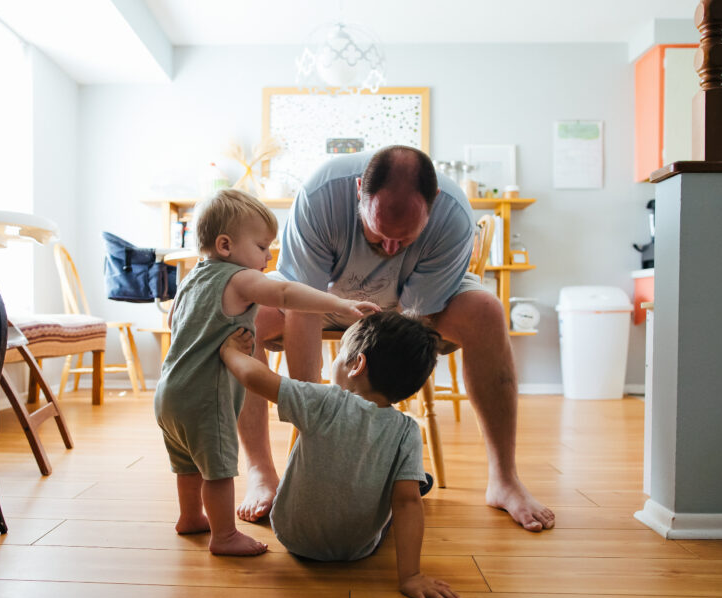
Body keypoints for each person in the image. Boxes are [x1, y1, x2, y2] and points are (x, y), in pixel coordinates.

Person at [236, 145, 555, 532]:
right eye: (379, 233)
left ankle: (504, 479)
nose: (389, 249)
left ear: (432, 203)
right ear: (359, 191)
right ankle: (261, 473)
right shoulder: (320, 195)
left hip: (406, 309)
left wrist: (372, 427)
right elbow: (304, 310)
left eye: (403, 240)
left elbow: (409, 325)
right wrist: (316, 424)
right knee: (242, 312)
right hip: (318, 297)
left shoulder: (452, 215)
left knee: (487, 311)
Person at [153, 188, 380, 556]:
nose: (269, 255)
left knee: (187, 462)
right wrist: (341, 303)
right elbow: (287, 294)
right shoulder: (239, 278)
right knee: (219, 469)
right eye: (261, 247)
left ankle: (190, 516)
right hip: (205, 397)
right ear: (225, 245)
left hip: (169, 393)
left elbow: (182, 325)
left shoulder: (191, 280)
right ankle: (224, 535)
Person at [220, 313, 462, 598]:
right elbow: (407, 505)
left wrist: (229, 351)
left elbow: (253, 377)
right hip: (357, 549)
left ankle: (411, 478)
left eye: (339, 356)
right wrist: (411, 576)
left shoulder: (323, 401)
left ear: (357, 364)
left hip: (292, 535)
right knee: (410, 492)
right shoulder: (406, 430)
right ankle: (413, 479)